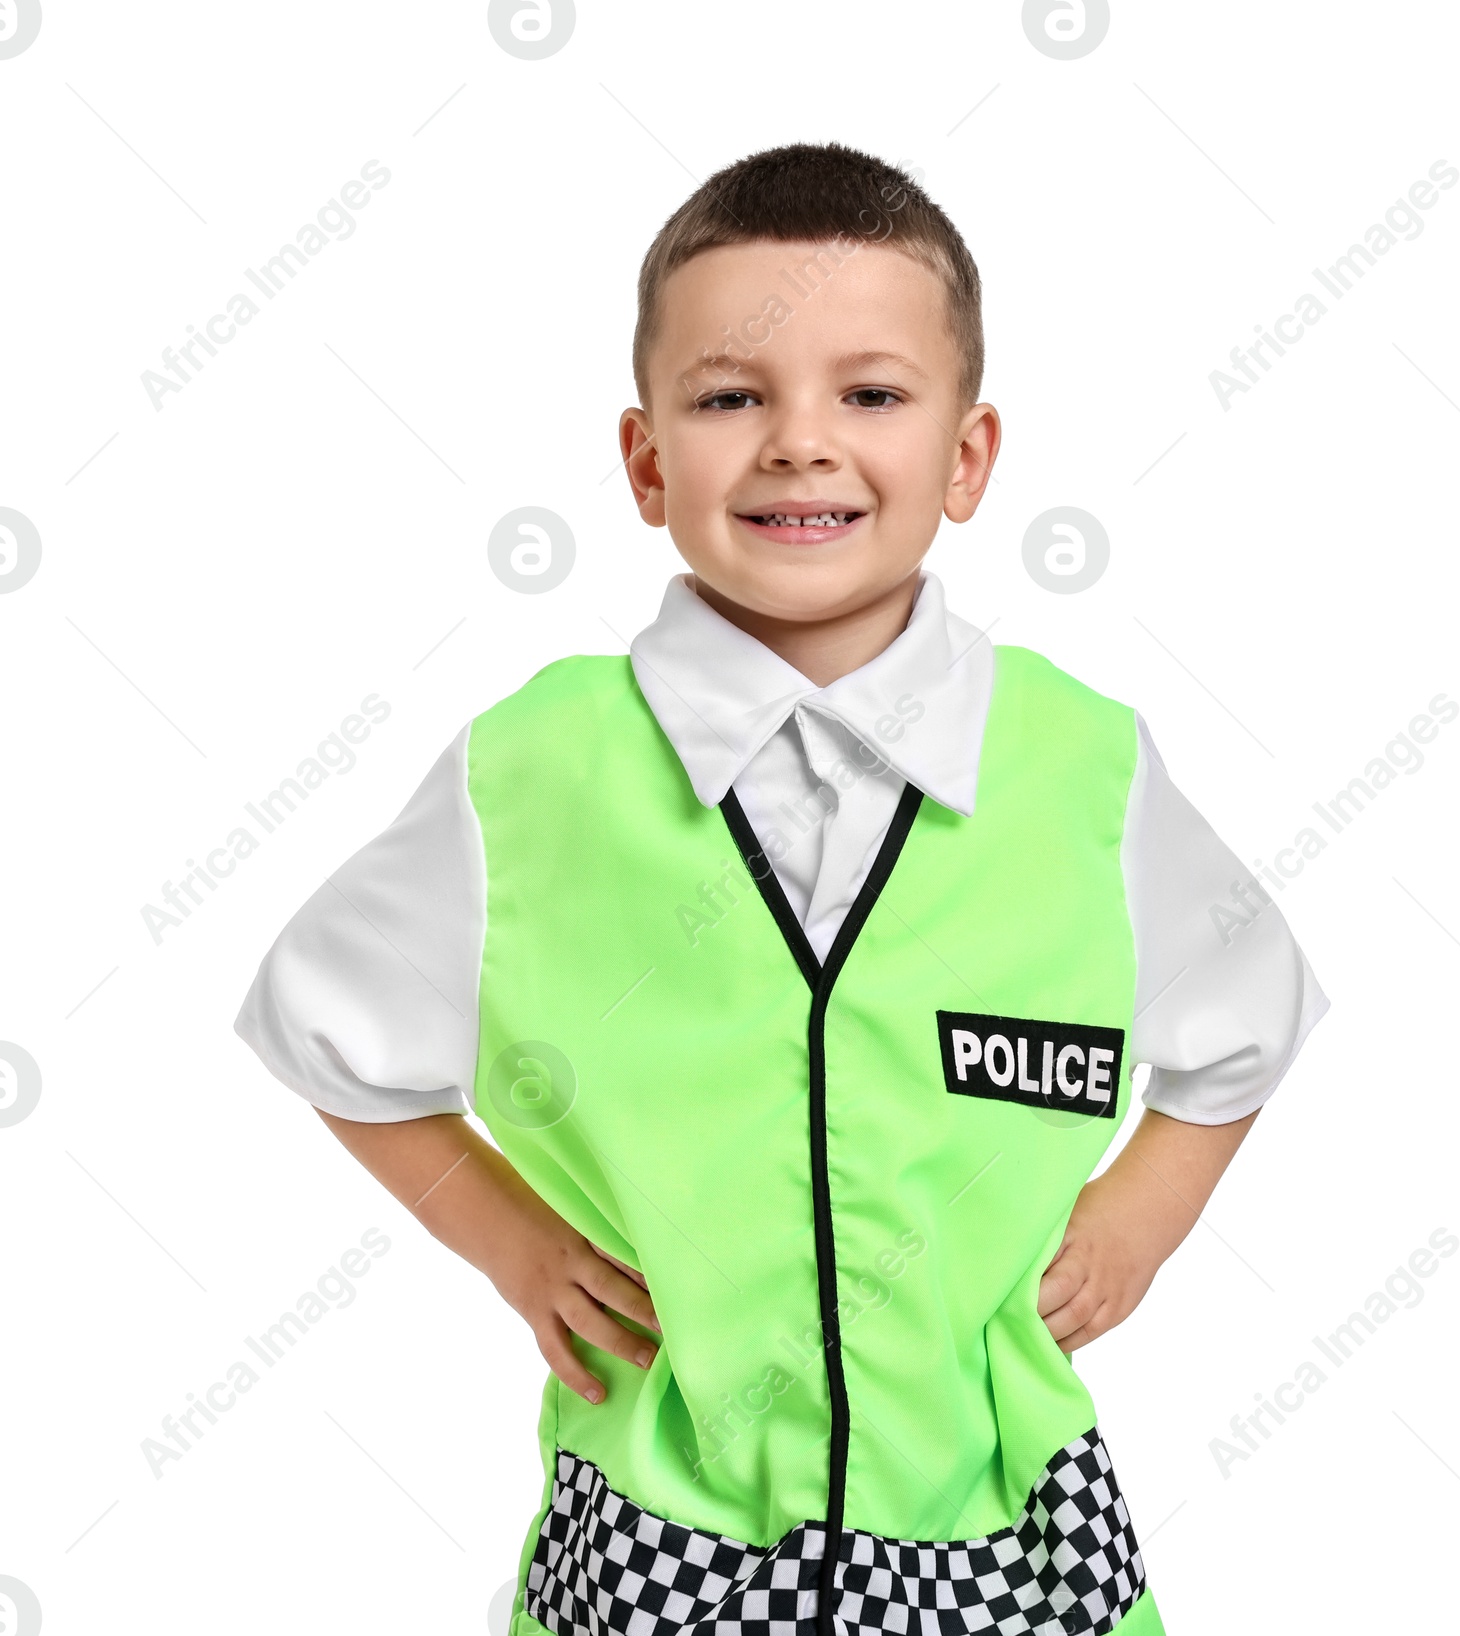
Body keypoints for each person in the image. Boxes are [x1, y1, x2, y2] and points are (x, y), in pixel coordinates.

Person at [236, 141, 1329, 1636]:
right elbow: (329, 1030)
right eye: (730, 396)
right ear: (645, 461)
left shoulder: (1081, 766)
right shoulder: (538, 769)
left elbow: (1243, 1018)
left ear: (967, 457)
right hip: (664, 1534)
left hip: (1003, 1527)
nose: (799, 443)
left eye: (870, 395)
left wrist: (1142, 1213)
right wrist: (517, 1247)